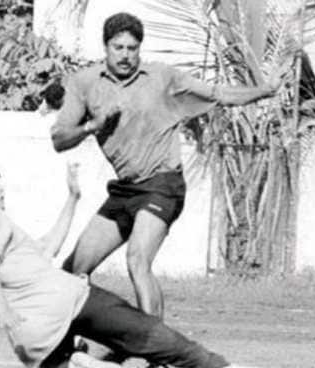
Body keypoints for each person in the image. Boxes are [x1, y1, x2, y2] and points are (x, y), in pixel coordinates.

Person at [0, 162, 274, 368]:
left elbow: (48, 247)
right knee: (147, 333)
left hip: (33, 337)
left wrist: (72, 199)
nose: (1, 189)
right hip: (69, 301)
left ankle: (83, 366)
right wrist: (2, 311)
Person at [51, 12, 283, 323]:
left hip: (163, 184)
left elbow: (217, 93)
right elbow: (60, 139)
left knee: (137, 260)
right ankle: (76, 343)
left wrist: (265, 90)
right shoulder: (84, 83)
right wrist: (93, 125)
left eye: (132, 48)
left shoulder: (161, 78)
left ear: (140, 49)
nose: (125, 55)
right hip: (126, 189)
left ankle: (156, 357)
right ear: (105, 47)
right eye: (118, 47)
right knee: (72, 272)